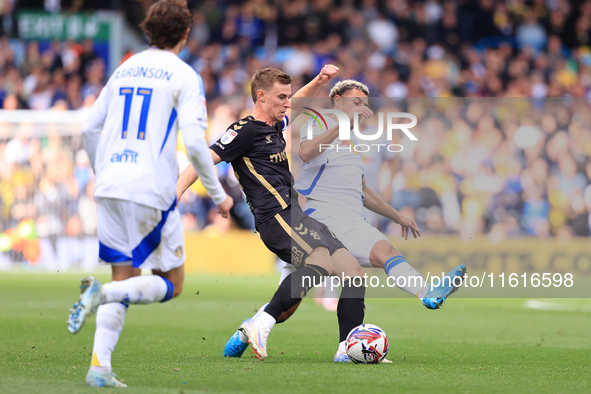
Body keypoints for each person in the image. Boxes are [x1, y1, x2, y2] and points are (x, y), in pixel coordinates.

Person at [223, 79, 467, 362]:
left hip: (351, 216)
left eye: (365, 104)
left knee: (305, 298)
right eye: (355, 102)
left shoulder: (353, 143)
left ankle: (340, 344)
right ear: (337, 101)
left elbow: (364, 192)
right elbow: (305, 152)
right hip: (321, 214)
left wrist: (396, 215)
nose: (362, 108)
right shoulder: (320, 121)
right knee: (318, 292)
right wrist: (344, 124)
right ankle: (263, 329)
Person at [66, 0, 233, 387]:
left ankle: (99, 368)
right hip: (150, 189)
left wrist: (102, 170)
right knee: (172, 282)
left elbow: (90, 128)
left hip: (109, 185)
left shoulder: (125, 67)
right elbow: (195, 143)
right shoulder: (185, 75)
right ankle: (99, 294)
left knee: (126, 276)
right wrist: (217, 193)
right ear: (187, 34)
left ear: (147, 31)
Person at [177, 65, 369, 362]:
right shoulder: (246, 130)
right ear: (261, 96)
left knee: (352, 273)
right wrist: (174, 195)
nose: (287, 103)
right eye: (281, 97)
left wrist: (319, 80)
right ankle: (261, 325)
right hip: (275, 216)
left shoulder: (274, 125)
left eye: (288, 96)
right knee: (320, 263)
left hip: (296, 215)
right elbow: (202, 159)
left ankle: (346, 348)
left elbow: (301, 102)